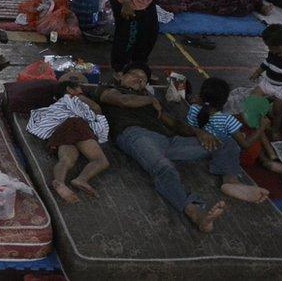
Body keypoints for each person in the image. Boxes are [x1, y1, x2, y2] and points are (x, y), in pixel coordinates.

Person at [99, 63, 240, 232]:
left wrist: (198, 132)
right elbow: (124, 100)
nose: (139, 79)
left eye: (143, 79)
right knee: (164, 167)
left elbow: (174, 124)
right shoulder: (108, 90)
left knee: (225, 141)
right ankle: (195, 212)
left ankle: (230, 181)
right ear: (120, 76)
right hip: (136, 135)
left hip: (168, 140)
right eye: (134, 74)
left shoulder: (152, 102)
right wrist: (151, 99)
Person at [26, 77, 110, 203]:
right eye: (79, 88)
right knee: (100, 161)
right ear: (70, 89)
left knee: (66, 160)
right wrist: (82, 96)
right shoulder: (76, 98)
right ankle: (81, 179)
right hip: (76, 125)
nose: (82, 91)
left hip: (60, 130)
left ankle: (59, 181)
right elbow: (97, 109)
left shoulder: (56, 105)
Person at [186, 77, 271, 202]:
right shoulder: (227, 120)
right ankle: (231, 180)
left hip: (197, 146)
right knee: (244, 144)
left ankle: (268, 164)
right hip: (219, 153)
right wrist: (262, 127)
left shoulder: (193, 109)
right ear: (225, 101)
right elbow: (245, 145)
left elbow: (190, 127)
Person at [250, 24, 282, 141]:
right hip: (268, 82)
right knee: (254, 97)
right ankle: (257, 120)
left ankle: (275, 130)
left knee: (278, 110)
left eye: (271, 47)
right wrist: (257, 72)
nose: (269, 49)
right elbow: (267, 62)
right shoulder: (274, 51)